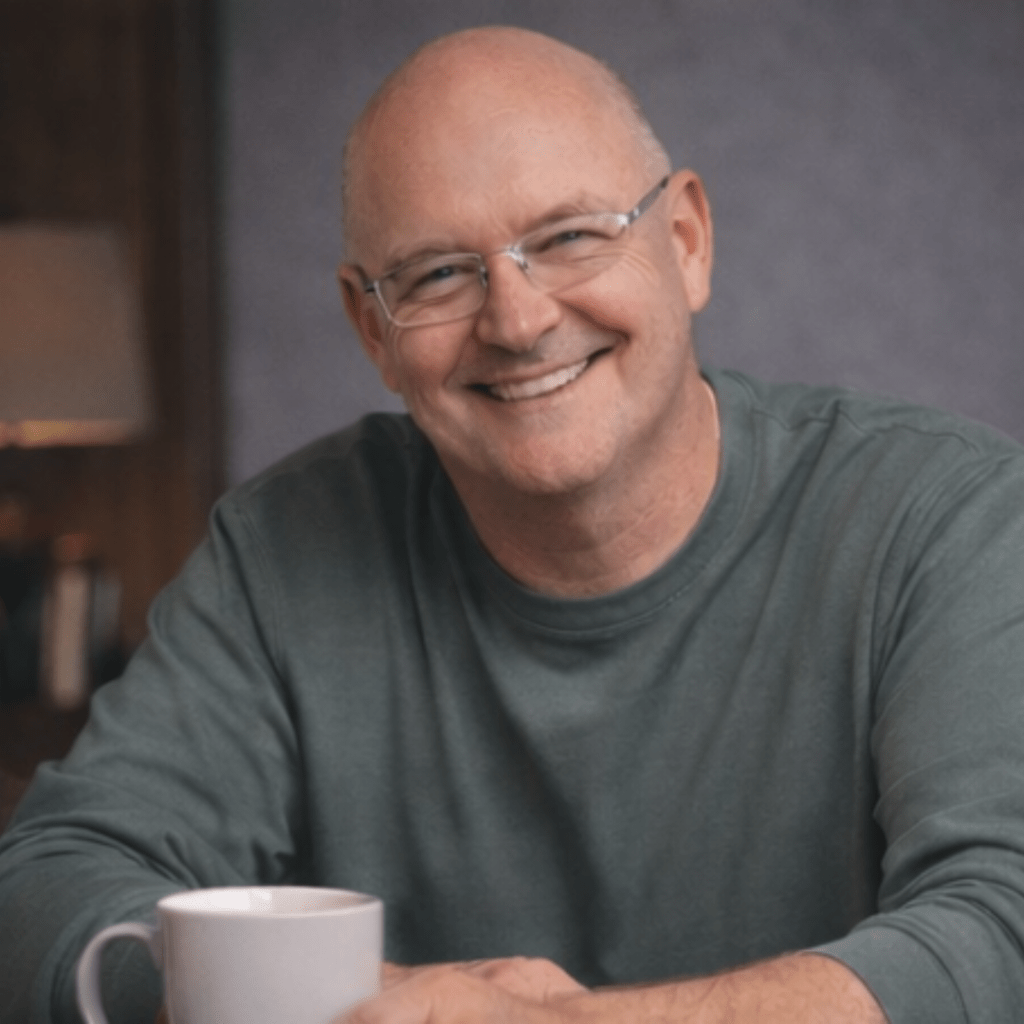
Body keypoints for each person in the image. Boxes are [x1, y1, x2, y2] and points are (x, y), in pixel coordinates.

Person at [2, 24, 1024, 1024]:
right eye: (438, 272)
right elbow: (49, 883)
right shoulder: (279, 552)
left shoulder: (943, 519)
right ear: (373, 329)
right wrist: (358, 1005)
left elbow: (1001, 928)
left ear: (685, 242)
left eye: (570, 236)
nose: (519, 319)